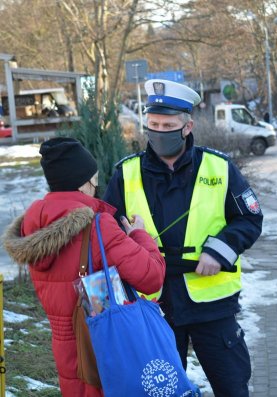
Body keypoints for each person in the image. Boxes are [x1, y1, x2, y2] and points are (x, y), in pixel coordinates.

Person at [104, 79, 263, 397]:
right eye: (153, 125)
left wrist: (219, 251)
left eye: (168, 125)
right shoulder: (126, 173)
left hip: (212, 305)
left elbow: (249, 218)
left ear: (187, 126)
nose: (159, 132)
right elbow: (107, 231)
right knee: (159, 392)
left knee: (232, 388)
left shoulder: (219, 167)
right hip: (153, 305)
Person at [3, 137, 166, 397]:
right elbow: (152, 277)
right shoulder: (98, 226)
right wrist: (140, 235)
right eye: (94, 179)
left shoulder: (32, 225)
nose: (96, 185)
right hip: (104, 347)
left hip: (65, 348)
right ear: (82, 182)